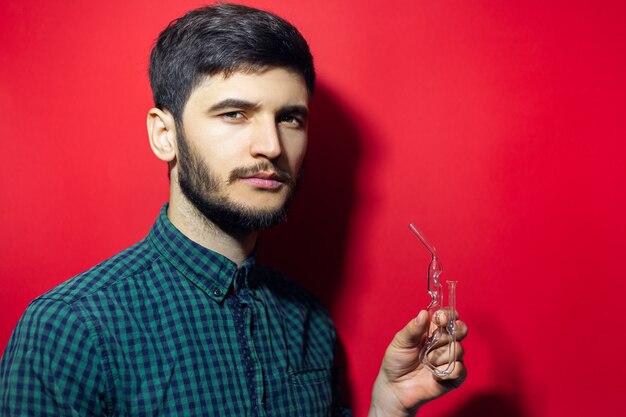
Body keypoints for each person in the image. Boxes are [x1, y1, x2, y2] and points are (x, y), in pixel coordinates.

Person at [0, 3, 467, 416]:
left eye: (290, 118)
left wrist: (389, 406)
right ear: (166, 135)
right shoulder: (70, 329)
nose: (271, 146)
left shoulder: (307, 320)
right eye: (234, 114)